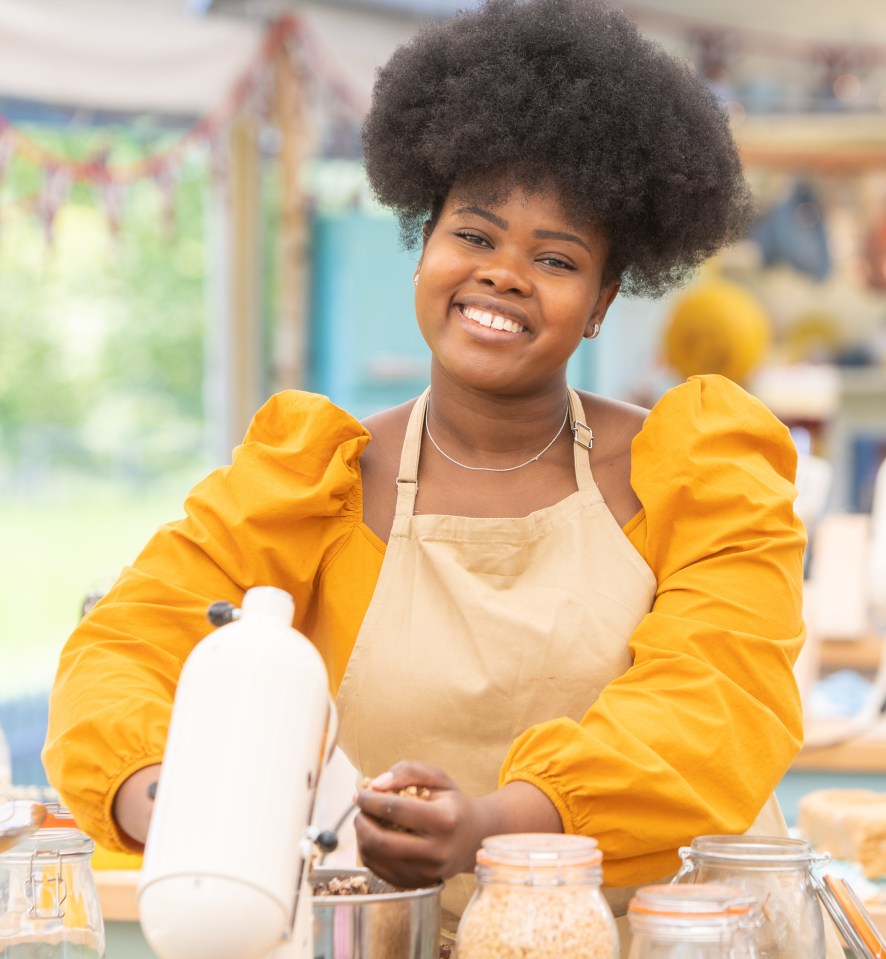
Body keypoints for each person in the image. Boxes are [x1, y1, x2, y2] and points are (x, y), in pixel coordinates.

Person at [43, 0, 816, 950]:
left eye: (558, 257)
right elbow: (125, 644)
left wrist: (491, 829)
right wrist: (163, 793)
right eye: (475, 236)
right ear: (422, 244)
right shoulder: (311, 478)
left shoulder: (700, 472)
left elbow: (717, 705)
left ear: (605, 300)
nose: (503, 275)